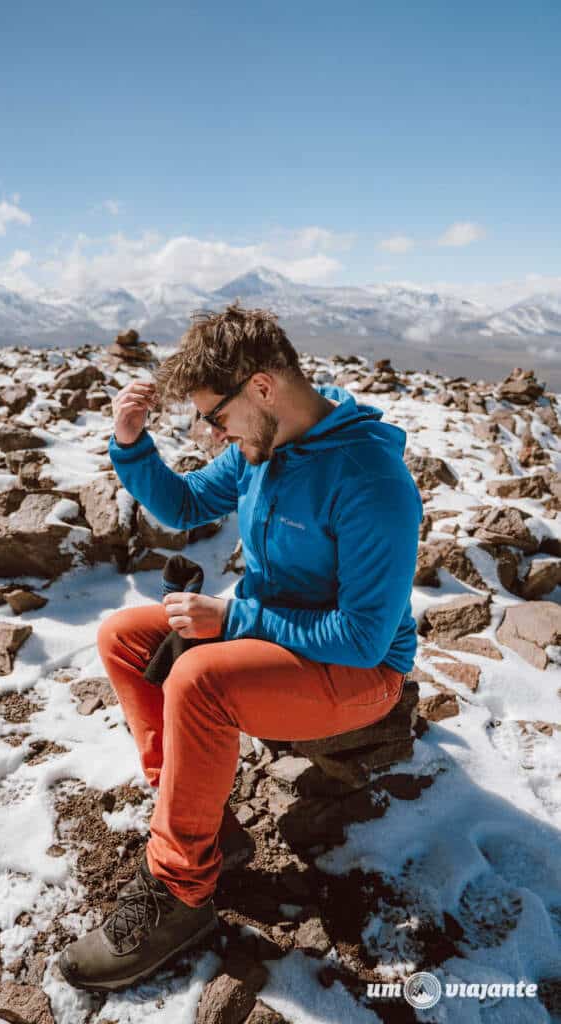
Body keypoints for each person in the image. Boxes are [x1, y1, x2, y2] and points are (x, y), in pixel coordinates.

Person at [59, 302, 423, 992]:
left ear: (261, 386)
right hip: (278, 638)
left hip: (360, 670)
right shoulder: (266, 443)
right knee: (122, 639)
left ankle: (180, 890)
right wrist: (131, 443)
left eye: (214, 414)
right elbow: (188, 505)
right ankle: (202, 825)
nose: (210, 431)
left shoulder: (370, 481)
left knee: (198, 679)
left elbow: (362, 636)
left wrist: (233, 619)